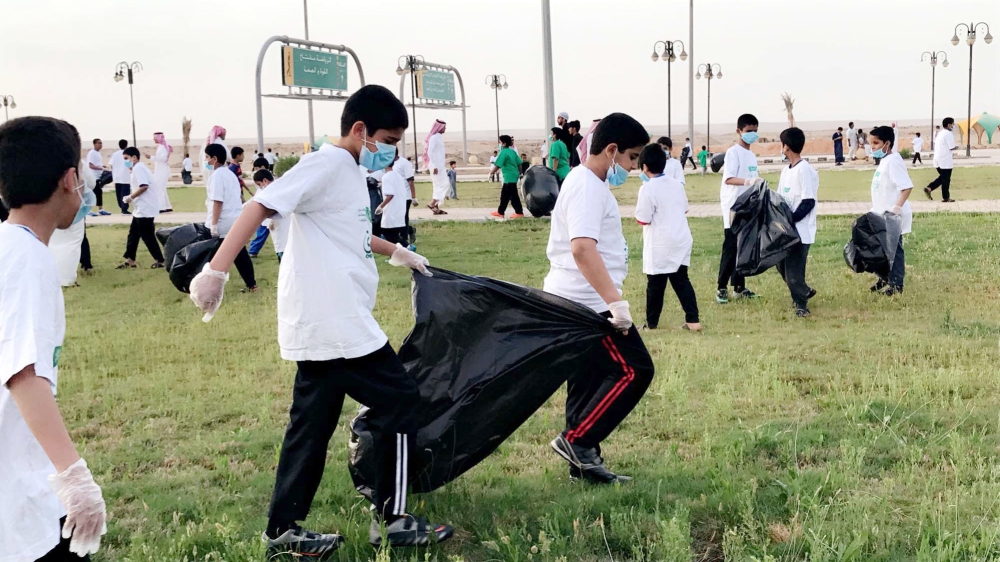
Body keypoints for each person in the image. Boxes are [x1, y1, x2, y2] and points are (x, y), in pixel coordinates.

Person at [188, 85, 453, 556]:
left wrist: (398, 253)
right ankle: (393, 518)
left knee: (310, 425)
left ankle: (282, 531)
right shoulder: (326, 163)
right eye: (388, 139)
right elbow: (259, 205)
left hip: (326, 321)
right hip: (336, 322)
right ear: (360, 130)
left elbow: (349, 229)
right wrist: (216, 270)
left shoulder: (349, 170)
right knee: (401, 401)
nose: (390, 150)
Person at [0, 116, 109, 562]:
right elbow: (23, 374)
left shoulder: (8, 246)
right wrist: (74, 477)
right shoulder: (28, 259)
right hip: (19, 504)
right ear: (68, 179)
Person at [543, 112, 655, 484]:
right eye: (631, 157)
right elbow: (582, 249)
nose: (633, 166)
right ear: (611, 150)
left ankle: (584, 463)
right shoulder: (589, 187)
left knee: (588, 379)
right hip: (586, 305)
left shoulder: (584, 181)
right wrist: (616, 304)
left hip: (579, 301)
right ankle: (578, 441)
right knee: (635, 369)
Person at [634, 144, 700, 332]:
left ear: (644, 166)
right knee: (681, 281)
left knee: (655, 284)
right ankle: (693, 321)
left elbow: (643, 218)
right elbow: (685, 208)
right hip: (680, 238)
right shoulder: (676, 184)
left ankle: (651, 324)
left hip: (660, 243)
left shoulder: (647, 189)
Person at [717, 113, 763, 304]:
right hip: (734, 206)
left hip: (748, 206)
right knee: (730, 247)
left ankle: (739, 287)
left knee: (744, 247)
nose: (752, 134)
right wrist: (747, 181)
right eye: (748, 131)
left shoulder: (751, 155)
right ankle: (721, 287)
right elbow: (728, 178)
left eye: (754, 131)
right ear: (739, 131)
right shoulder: (733, 152)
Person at [775, 127, 819, 318]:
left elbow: (808, 201)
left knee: (794, 271)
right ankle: (803, 290)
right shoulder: (786, 171)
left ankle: (802, 305)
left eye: (782, 144)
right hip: (786, 230)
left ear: (786, 147)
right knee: (781, 265)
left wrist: (791, 220)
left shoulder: (805, 170)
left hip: (800, 231)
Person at [204, 144, 256, 292]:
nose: (206, 161)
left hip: (222, 223)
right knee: (240, 254)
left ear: (214, 159)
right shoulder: (230, 174)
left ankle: (206, 287)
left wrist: (213, 225)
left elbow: (217, 201)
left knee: (210, 256)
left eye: (207, 158)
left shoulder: (217, 176)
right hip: (234, 221)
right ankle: (252, 285)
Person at [869, 125, 913, 296]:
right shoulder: (884, 161)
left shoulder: (894, 160)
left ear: (887, 143)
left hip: (892, 214)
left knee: (895, 250)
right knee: (882, 249)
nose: (872, 147)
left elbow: (906, 187)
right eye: (870, 143)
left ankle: (896, 285)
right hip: (880, 212)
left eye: (876, 143)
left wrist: (896, 209)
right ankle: (885, 277)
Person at [117, 147, 165, 269]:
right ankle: (130, 259)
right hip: (140, 208)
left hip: (145, 207)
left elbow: (144, 186)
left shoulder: (138, 168)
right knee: (133, 233)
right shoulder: (138, 168)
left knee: (147, 235)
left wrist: (130, 197)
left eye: (126, 158)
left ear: (134, 158)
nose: (125, 162)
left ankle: (161, 260)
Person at [376, 152, 409, 246]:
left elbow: (390, 195)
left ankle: (408, 247)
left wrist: (380, 206)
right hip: (399, 208)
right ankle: (398, 254)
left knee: (389, 234)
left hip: (391, 210)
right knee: (393, 235)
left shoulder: (386, 176)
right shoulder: (398, 176)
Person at [490, 135, 524, 219]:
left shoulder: (503, 152)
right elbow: (519, 163)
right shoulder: (512, 152)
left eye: (500, 142)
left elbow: (498, 164)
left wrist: (491, 173)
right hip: (513, 175)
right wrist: (520, 173)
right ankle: (502, 212)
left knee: (509, 196)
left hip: (509, 176)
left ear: (504, 143)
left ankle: (517, 212)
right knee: (509, 195)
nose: (499, 144)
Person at [926, 117, 957, 202]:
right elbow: (951, 147)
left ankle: (929, 188)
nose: (954, 126)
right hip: (945, 161)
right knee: (946, 179)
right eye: (953, 124)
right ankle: (946, 197)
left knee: (943, 178)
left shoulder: (940, 133)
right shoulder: (948, 134)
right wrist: (957, 147)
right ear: (949, 125)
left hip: (937, 160)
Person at [392, 147, 416, 250]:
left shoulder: (404, 163)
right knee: (396, 217)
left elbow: (410, 180)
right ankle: (410, 230)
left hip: (405, 195)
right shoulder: (388, 164)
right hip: (393, 196)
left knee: (403, 217)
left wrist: (414, 197)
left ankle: (404, 239)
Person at [424, 119, 449, 215]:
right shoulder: (434, 138)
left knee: (438, 185)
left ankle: (436, 208)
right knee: (445, 183)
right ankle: (433, 203)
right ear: (439, 127)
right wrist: (434, 165)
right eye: (444, 127)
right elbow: (430, 152)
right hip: (436, 166)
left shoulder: (438, 137)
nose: (445, 129)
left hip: (439, 165)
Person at [85, 139, 111, 216]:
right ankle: (88, 210)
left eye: (101, 143)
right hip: (93, 176)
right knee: (93, 192)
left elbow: (97, 164)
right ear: (94, 144)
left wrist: (102, 166)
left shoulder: (98, 153)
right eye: (99, 143)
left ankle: (100, 209)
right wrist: (101, 168)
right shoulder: (92, 153)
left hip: (98, 176)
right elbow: (91, 165)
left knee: (99, 192)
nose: (100, 145)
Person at [150, 132, 173, 213]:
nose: (153, 139)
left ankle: (161, 207)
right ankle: (167, 206)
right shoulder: (160, 147)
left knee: (159, 188)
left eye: (155, 138)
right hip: (160, 170)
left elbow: (163, 158)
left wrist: (151, 157)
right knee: (161, 188)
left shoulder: (163, 147)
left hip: (163, 170)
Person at [109, 139, 131, 214]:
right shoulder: (127, 154)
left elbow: (111, 165)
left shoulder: (115, 154)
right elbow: (129, 165)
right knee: (125, 193)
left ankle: (121, 207)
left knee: (118, 193)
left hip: (117, 177)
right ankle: (124, 208)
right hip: (125, 177)